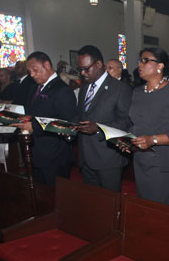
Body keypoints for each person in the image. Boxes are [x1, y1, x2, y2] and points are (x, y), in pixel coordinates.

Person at [126, 47, 169, 206]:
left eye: (145, 60)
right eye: (140, 60)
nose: (140, 64)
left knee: (160, 209)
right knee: (144, 205)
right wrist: (126, 141)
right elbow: (136, 124)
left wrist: (152, 140)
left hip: (163, 159)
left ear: (160, 66)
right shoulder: (137, 92)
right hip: (140, 157)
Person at [12, 51, 77, 187]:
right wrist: (25, 118)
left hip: (55, 155)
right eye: (29, 71)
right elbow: (36, 112)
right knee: (42, 195)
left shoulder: (62, 90)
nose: (32, 75)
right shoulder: (34, 88)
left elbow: (68, 124)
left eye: (35, 70)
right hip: (36, 151)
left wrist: (33, 126)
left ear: (46, 65)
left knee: (56, 197)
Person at [76, 45, 132, 192]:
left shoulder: (120, 89)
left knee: (111, 203)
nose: (82, 73)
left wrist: (98, 128)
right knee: (93, 203)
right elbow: (82, 116)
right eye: (80, 69)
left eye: (86, 69)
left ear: (99, 64)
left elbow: (126, 121)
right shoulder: (84, 88)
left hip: (108, 157)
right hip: (85, 156)